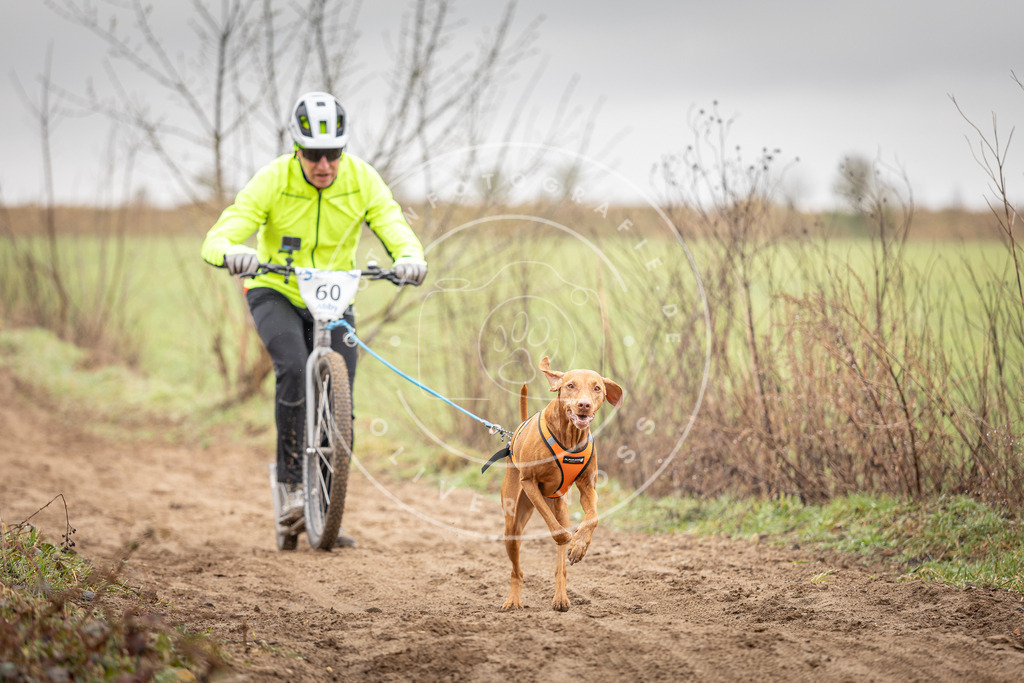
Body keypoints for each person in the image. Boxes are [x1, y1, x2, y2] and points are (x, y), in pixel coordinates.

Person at [201, 92, 427, 546]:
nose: (324, 164)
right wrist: (232, 252)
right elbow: (224, 231)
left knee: (340, 396)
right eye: (313, 154)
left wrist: (408, 257)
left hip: (333, 295)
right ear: (296, 149)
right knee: (291, 365)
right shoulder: (274, 179)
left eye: (334, 153)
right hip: (276, 287)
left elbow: (391, 221)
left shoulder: (362, 180)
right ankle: (290, 487)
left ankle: (325, 504)